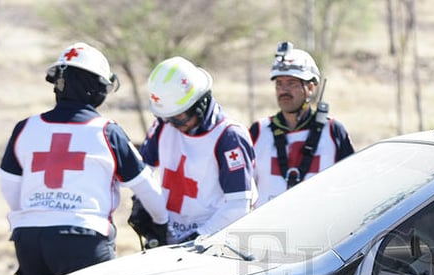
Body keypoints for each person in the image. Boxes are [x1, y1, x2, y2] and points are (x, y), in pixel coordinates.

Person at [0, 42, 168, 275]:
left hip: (30, 241)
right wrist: (163, 224)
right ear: (96, 88)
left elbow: (9, 186)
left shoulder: (26, 127)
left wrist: (41, 213)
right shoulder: (107, 131)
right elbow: (146, 187)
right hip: (83, 240)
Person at [138, 56, 256, 244]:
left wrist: (197, 237)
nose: (172, 124)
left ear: (199, 104)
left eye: (178, 117)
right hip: (169, 239)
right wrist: (142, 207)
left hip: (211, 243)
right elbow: (142, 173)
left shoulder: (229, 137)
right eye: (168, 117)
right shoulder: (164, 124)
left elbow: (238, 205)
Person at [249, 42, 354, 206]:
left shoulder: (333, 131)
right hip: (269, 229)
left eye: (291, 83)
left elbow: (352, 186)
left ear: (310, 87)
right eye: (279, 84)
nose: (284, 90)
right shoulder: (259, 131)